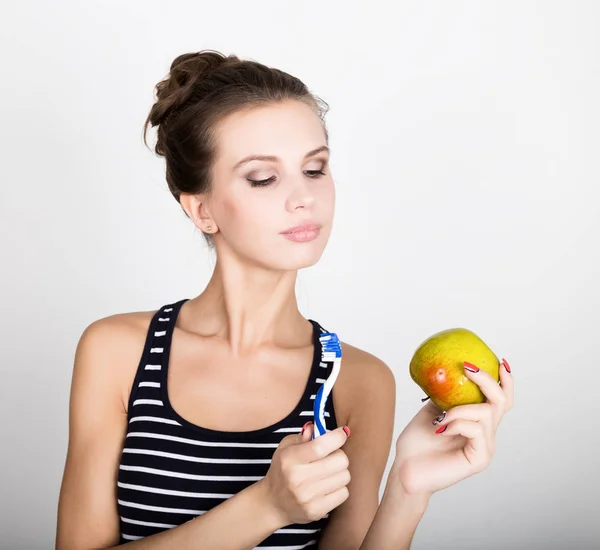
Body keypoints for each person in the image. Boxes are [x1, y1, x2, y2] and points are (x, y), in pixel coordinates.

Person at [55, 50, 514, 550]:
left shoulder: (358, 382)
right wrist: (267, 505)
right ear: (202, 209)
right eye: (263, 178)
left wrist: (407, 489)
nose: (304, 198)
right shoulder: (117, 351)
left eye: (315, 169)